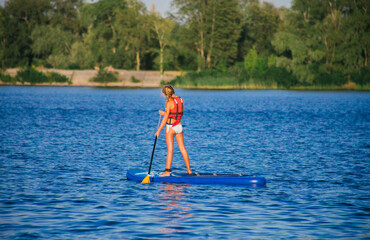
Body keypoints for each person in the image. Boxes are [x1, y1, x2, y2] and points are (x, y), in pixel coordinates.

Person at [155, 85, 192, 176]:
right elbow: (176, 112)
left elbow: (165, 119)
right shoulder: (180, 99)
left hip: (171, 127)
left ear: (165, 94)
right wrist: (165, 113)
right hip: (179, 126)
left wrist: (158, 130)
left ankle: (167, 172)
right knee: (182, 148)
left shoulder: (168, 102)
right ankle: (189, 170)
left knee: (170, 150)